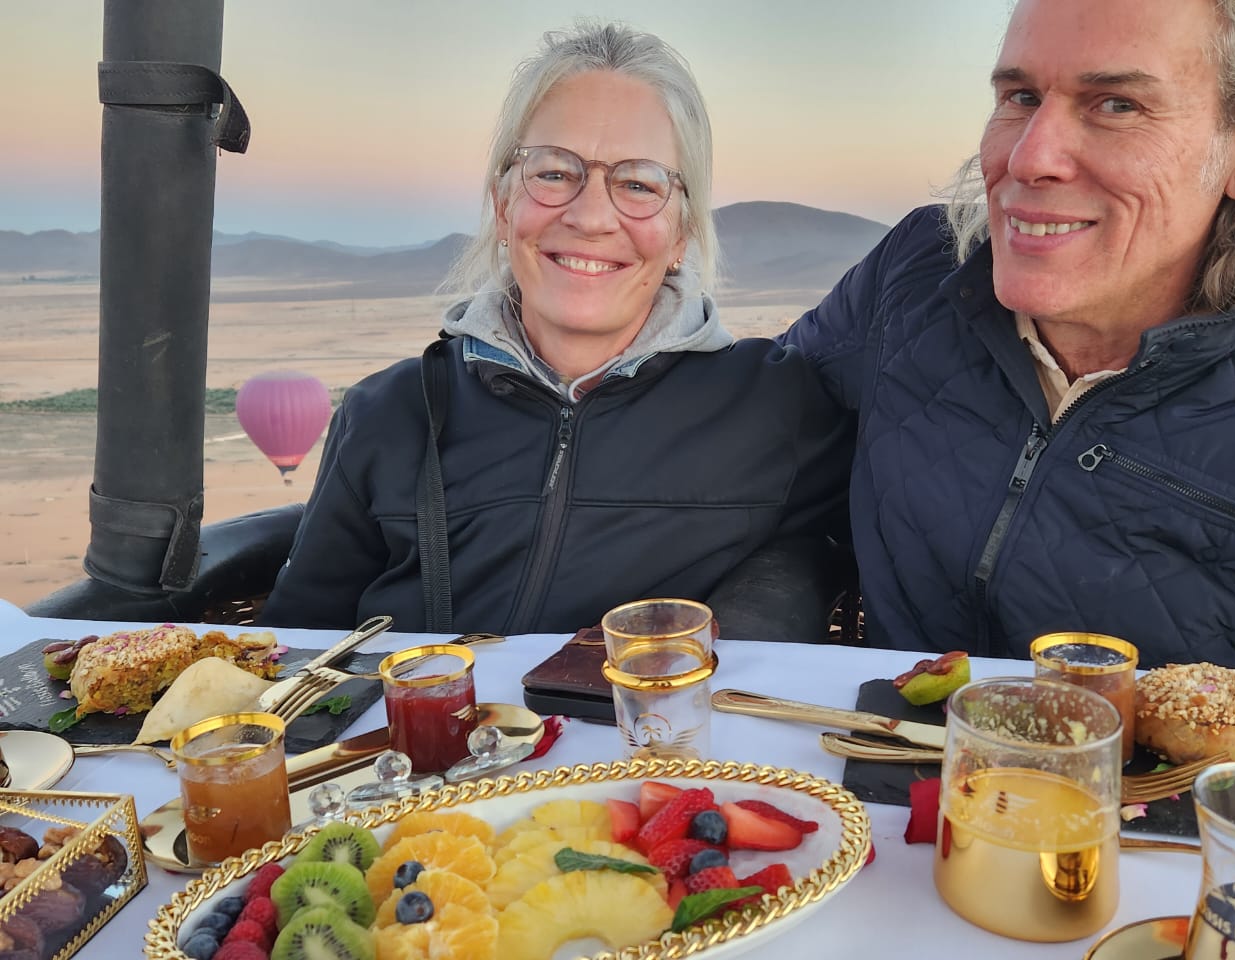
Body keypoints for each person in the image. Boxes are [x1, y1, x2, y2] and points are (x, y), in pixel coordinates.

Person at [260, 22, 851, 639]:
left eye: (639, 184)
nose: (592, 215)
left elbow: (875, 526)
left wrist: (769, 602)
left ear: (681, 232)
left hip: (651, 735)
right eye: (552, 173)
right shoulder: (388, 414)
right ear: (502, 203)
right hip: (413, 735)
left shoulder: (775, 406)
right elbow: (299, 647)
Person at [781, 0, 1235, 673]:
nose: (1030, 156)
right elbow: (735, 449)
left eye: (1117, 105)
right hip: (880, 764)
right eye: (1020, 95)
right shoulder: (916, 276)